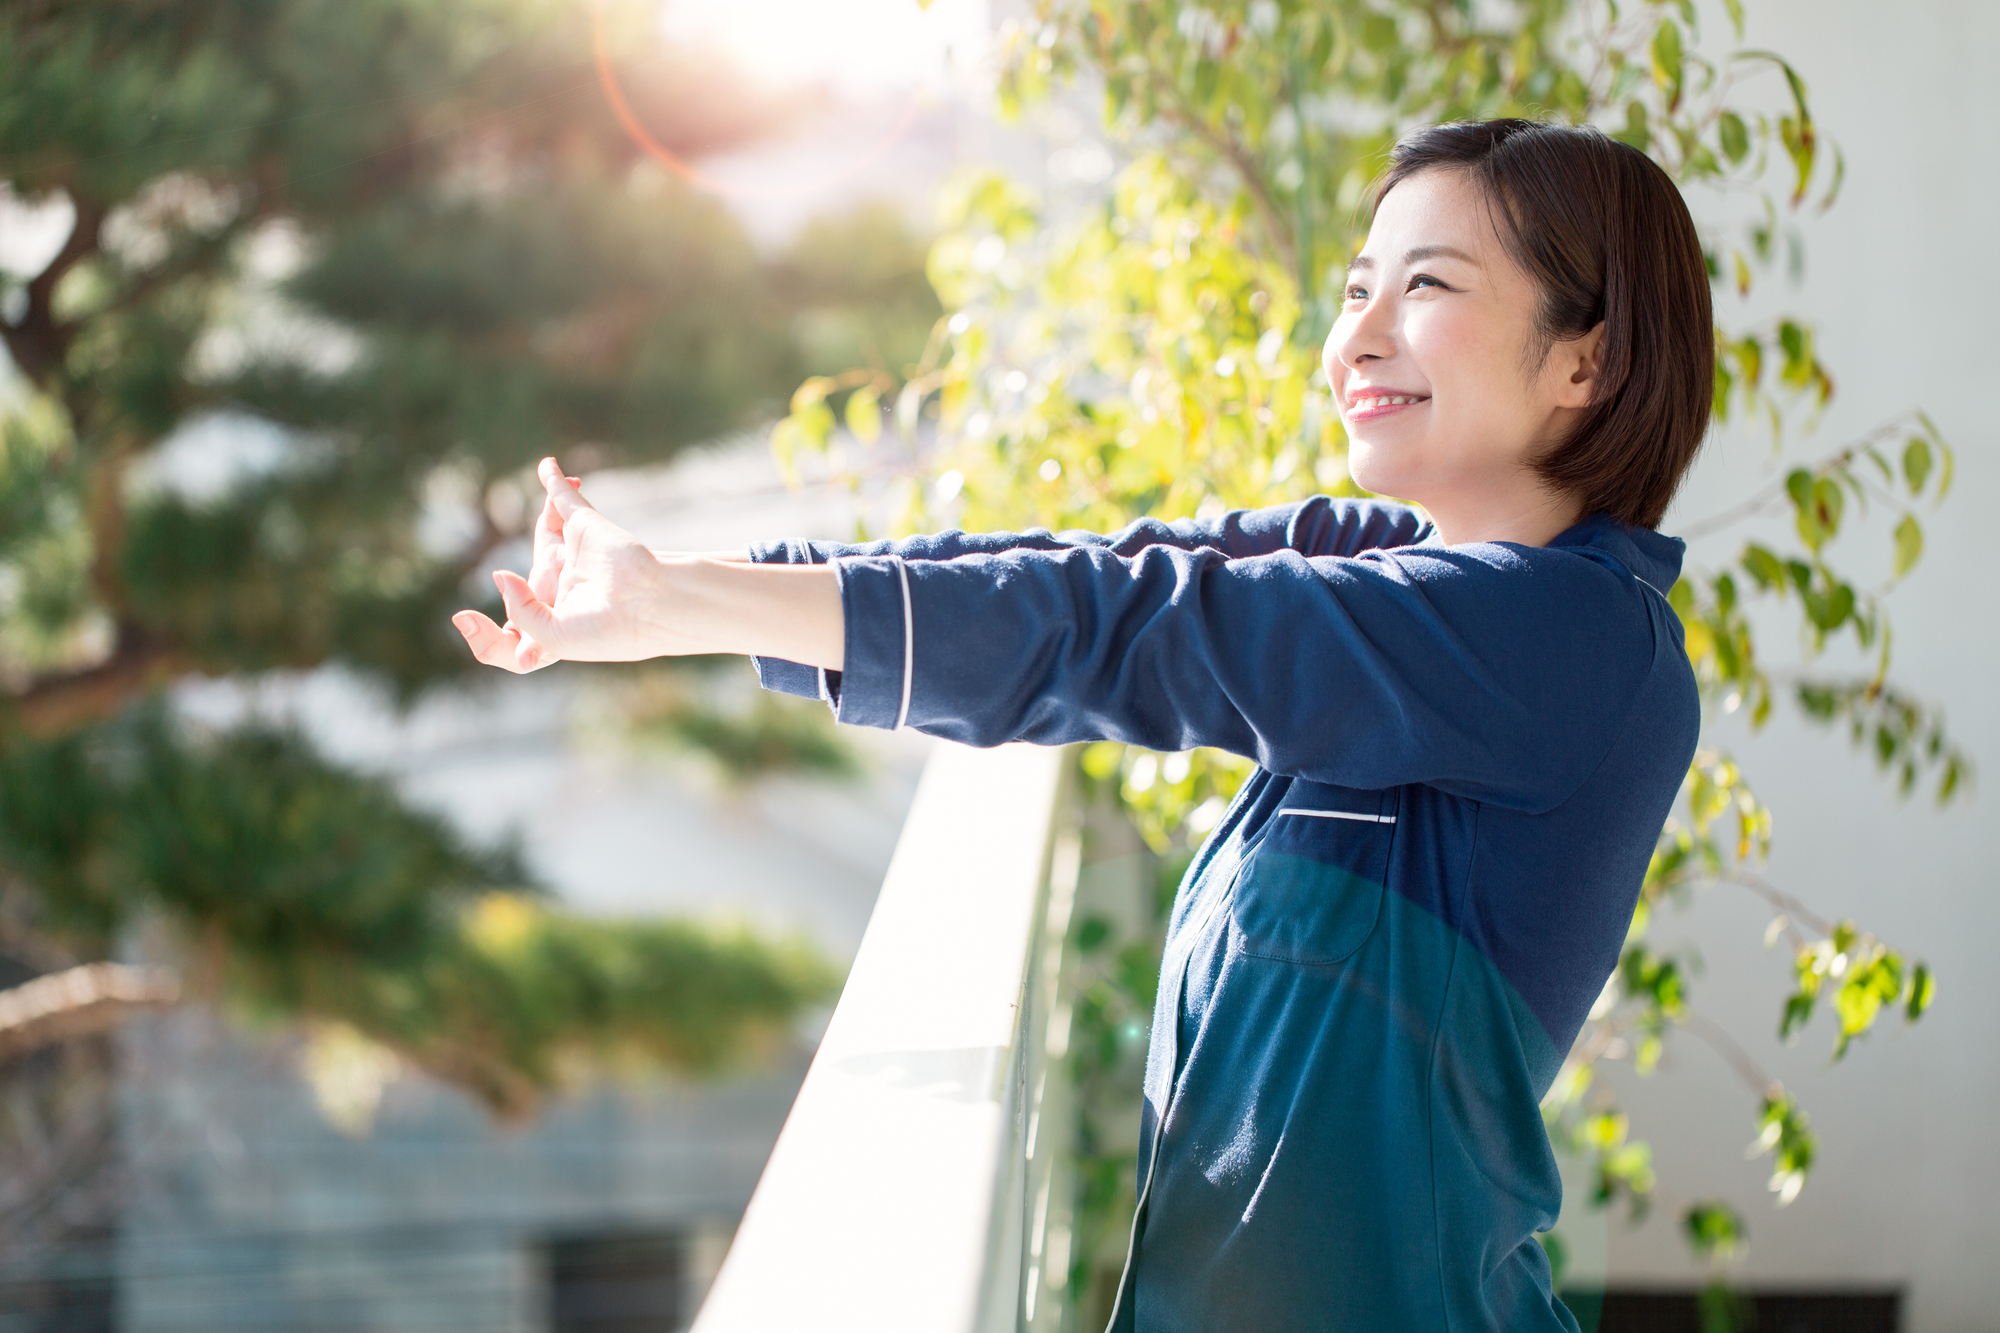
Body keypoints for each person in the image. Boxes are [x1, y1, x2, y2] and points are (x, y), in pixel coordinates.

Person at [453, 118, 1707, 1332]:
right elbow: (1086, 569)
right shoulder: (1387, 560)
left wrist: (687, 603)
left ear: (1583, 360)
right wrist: (689, 592)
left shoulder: (1574, 640)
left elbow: (1130, 627)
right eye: (1353, 289)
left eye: (1424, 287)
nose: (1357, 339)